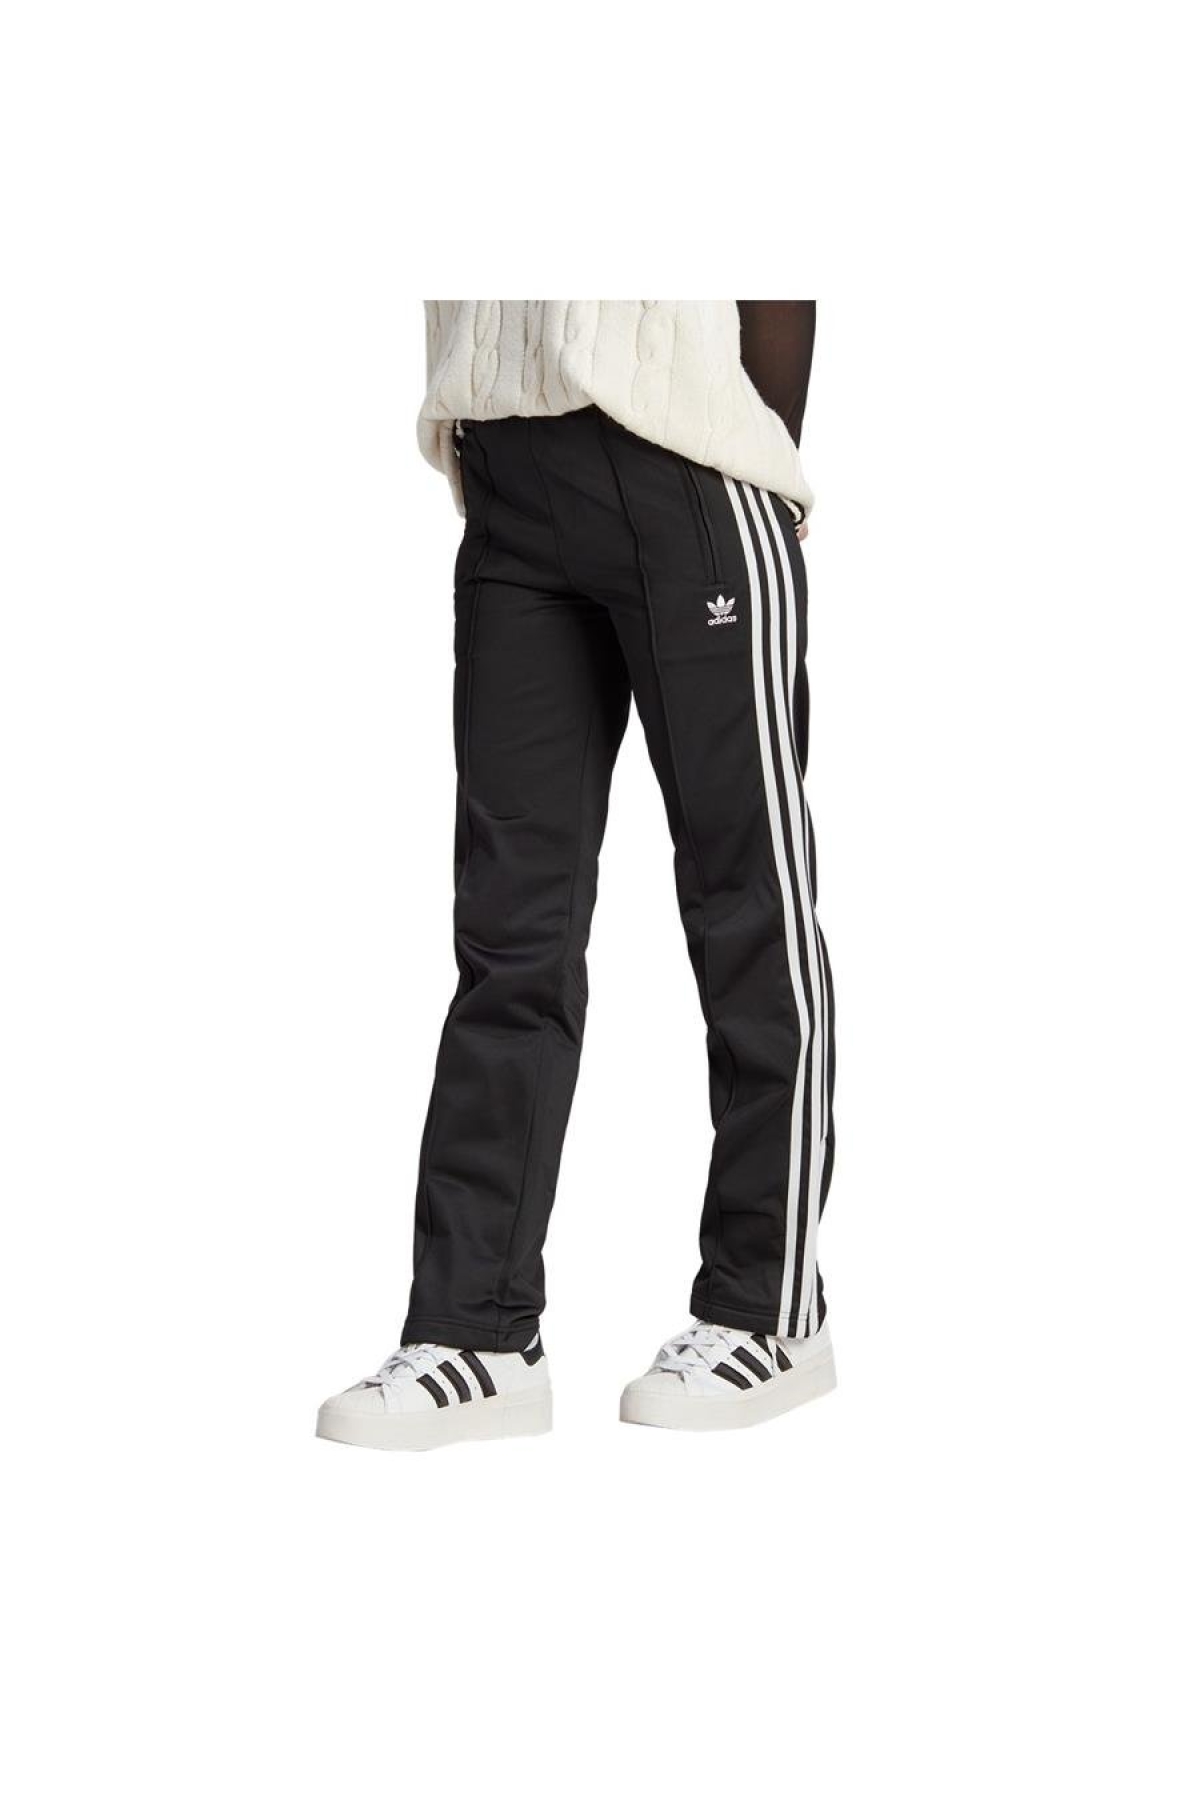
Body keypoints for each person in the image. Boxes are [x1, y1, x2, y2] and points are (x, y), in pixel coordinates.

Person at [317, 301, 836, 1450]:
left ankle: (770, 1306)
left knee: (747, 905)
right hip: (510, 477)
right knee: (509, 935)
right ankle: (478, 1332)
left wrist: (747, 450)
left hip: (692, 470)